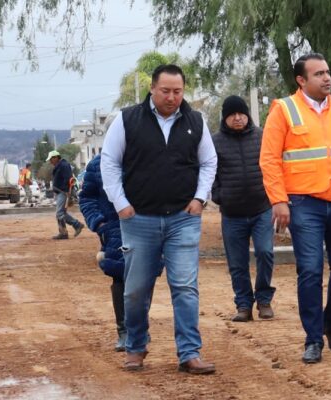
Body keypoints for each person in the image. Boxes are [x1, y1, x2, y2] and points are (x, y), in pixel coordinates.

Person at [100, 64, 218, 374]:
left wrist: (200, 198)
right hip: (139, 219)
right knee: (136, 289)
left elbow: (208, 162)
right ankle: (136, 347)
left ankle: (189, 353)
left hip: (183, 218)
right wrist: (121, 203)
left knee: (185, 287)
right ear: (152, 89)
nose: (171, 97)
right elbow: (109, 163)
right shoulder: (127, 120)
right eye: (165, 91)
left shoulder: (195, 121)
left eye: (177, 91)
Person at [261, 53, 331, 365]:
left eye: (328, 72)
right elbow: (269, 159)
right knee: (309, 269)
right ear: (301, 80)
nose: (327, 78)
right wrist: (278, 200)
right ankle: (313, 339)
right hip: (303, 203)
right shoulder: (284, 110)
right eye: (319, 74)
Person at [77, 154, 158, 353]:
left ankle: (139, 327)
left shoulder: (148, 156)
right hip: (114, 228)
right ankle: (124, 331)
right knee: (119, 276)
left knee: (146, 277)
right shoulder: (98, 164)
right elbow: (87, 197)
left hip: (147, 224)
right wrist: (98, 222)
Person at [212, 95, 276, 322]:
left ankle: (264, 300)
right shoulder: (215, 141)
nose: (238, 118)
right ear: (225, 117)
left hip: (262, 209)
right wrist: (219, 195)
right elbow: (210, 172)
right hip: (232, 214)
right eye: (232, 115)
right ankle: (243, 305)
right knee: (237, 263)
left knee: (265, 253)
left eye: (241, 114)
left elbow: (274, 165)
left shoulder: (262, 136)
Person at [49, 151, 85, 239]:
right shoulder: (61, 165)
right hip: (61, 191)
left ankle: (73, 226)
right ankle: (66, 231)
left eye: (51, 159)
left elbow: (69, 179)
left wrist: (67, 191)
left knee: (60, 213)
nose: (50, 161)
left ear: (56, 158)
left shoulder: (63, 165)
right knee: (62, 213)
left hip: (63, 192)